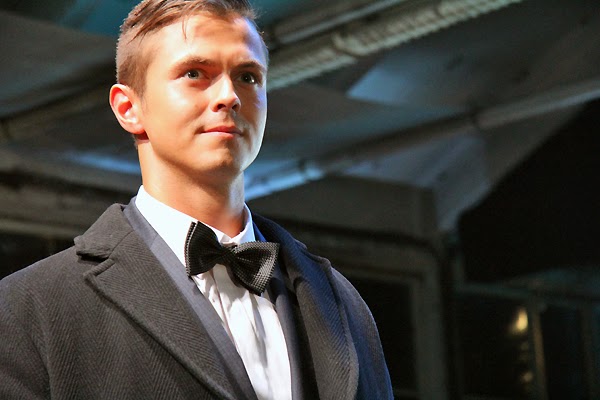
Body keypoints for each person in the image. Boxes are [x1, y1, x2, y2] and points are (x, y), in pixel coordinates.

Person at [0, 0, 393, 399]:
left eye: (248, 77)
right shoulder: (28, 307)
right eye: (194, 73)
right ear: (129, 108)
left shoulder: (342, 302)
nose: (229, 96)